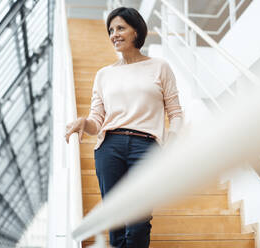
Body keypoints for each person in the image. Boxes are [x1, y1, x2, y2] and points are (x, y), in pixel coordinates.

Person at [65, 7, 183, 248]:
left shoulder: (160, 66)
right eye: (110, 30)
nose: (114, 34)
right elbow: (97, 121)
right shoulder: (103, 75)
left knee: (139, 220)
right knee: (116, 219)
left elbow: (176, 114)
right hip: (110, 147)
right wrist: (83, 122)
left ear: (136, 31)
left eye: (120, 28)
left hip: (147, 146)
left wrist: (169, 145)